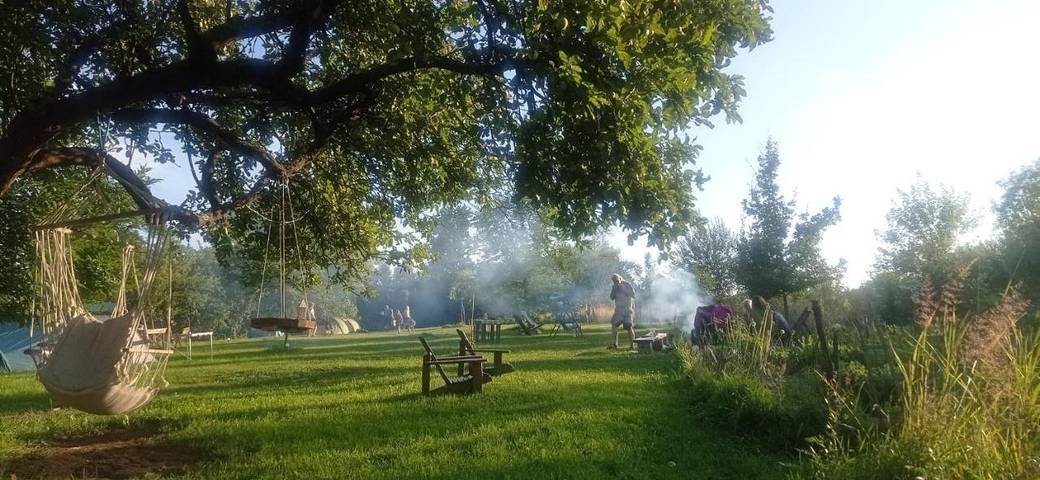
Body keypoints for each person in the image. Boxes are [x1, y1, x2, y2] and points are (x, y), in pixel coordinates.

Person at [608, 273, 636, 350]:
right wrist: (614, 289)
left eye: (616, 280)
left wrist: (624, 289)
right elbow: (611, 297)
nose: (615, 282)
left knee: (628, 327)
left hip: (628, 310)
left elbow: (633, 295)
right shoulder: (614, 286)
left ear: (620, 278)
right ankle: (615, 344)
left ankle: (632, 345)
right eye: (613, 281)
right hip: (619, 310)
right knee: (614, 325)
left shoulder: (627, 284)